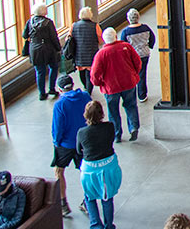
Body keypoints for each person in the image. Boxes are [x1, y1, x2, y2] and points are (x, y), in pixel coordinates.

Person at [91, 27, 142, 142]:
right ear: (115, 36)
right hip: (128, 82)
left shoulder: (101, 54)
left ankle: (116, 134)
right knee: (131, 105)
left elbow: (95, 73)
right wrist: (134, 74)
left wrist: (98, 83)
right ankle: (133, 127)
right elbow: (137, 61)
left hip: (111, 87)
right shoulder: (126, 47)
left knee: (113, 111)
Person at [51, 74, 92, 217]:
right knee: (85, 171)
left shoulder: (60, 105)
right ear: (72, 85)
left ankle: (63, 204)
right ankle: (88, 202)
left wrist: (56, 143)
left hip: (66, 144)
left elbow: (57, 128)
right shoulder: (85, 97)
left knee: (59, 171)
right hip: (83, 142)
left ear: (60, 89)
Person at [77, 101, 122, 229]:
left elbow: (78, 149)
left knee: (89, 197)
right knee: (107, 197)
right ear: (101, 114)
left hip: (89, 170)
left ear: (86, 115)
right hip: (108, 167)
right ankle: (109, 225)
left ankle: (96, 224)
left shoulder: (82, 132)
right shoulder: (109, 127)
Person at [23, 3, 60, 100]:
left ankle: (42, 93)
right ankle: (52, 88)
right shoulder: (48, 23)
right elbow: (53, 37)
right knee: (54, 67)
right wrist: (58, 48)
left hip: (35, 49)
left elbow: (24, 35)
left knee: (40, 72)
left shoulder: (30, 22)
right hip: (48, 49)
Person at [119, 9, 155, 102]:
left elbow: (123, 45)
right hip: (144, 54)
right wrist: (149, 46)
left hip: (132, 56)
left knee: (132, 75)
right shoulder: (145, 28)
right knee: (142, 74)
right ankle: (142, 95)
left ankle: (132, 94)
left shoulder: (126, 32)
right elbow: (152, 38)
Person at [65, 7, 102, 95]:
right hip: (91, 52)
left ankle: (85, 86)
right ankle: (88, 91)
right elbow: (100, 39)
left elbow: (68, 38)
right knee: (90, 73)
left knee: (81, 72)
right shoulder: (95, 26)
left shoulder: (74, 25)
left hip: (79, 53)